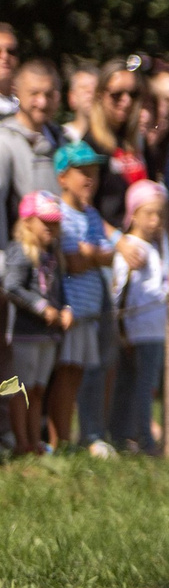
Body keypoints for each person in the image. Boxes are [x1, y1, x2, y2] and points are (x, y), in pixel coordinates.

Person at [50, 138, 118, 452]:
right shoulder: (60, 214)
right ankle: (59, 440)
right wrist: (93, 255)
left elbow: (103, 255)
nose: (90, 177)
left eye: (94, 171)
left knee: (77, 373)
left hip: (88, 311)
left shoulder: (91, 215)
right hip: (71, 309)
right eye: (82, 171)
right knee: (65, 376)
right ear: (62, 177)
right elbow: (73, 263)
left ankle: (70, 439)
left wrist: (90, 253)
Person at [5, 193, 70, 455]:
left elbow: (60, 289)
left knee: (38, 389)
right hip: (25, 334)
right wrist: (41, 307)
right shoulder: (20, 252)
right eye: (46, 223)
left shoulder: (52, 254)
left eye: (55, 224)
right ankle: (21, 441)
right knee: (21, 389)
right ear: (28, 222)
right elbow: (11, 286)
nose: (51, 229)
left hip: (47, 335)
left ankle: (35, 441)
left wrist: (65, 309)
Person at [111, 181, 169, 453]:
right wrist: (122, 330)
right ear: (133, 214)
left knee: (140, 385)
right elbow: (120, 292)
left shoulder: (157, 247)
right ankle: (141, 438)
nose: (155, 220)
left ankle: (127, 434)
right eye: (149, 213)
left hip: (155, 329)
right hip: (137, 330)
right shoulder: (130, 248)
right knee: (139, 386)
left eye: (160, 214)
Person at [79, 56, 152, 228]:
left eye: (132, 94)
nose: (126, 102)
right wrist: (117, 240)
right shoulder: (89, 144)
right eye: (117, 95)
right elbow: (84, 205)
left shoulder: (138, 142)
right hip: (110, 243)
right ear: (99, 96)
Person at [0, 59, 68, 232]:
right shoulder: (5, 141)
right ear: (17, 92)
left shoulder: (61, 140)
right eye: (34, 94)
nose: (42, 102)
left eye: (48, 94)